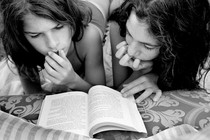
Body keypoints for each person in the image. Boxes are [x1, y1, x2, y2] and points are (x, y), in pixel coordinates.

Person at [109, 0, 210, 103]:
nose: (131, 51)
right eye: (129, 34)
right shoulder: (118, 27)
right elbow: (119, 94)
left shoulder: (190, 50)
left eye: (148, 46)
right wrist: (140, 72)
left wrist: (158, 79)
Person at [1, 0, 111, 94]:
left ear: (72, 20)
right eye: (35, 35)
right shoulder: (21, 46)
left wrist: (73, 80)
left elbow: (99, 92)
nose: (52, 44)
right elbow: (33, 94)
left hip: (95, 7)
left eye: (59, 27)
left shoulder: (89, 37)